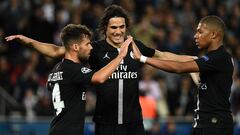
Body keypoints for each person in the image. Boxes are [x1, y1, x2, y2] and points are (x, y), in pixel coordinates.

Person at [6, 5, 195, 135]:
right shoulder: (93, 49)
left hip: (134, 123)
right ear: (105, 28)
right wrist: (28, 41)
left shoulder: (134, 46)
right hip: (106, 124)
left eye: (122, 27)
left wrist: (195, 60)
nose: (118, 31)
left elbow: (162, 55)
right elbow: (56, 50)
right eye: (113, 27)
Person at [9, 24, 131, 135]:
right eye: (87, 44)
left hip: (56, 129)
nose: (91, 48)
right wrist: (121, 56)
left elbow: (56, 51)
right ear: (76, 47)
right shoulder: (73, 70)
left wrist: (27, 41)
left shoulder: (56, 69)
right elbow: (99, 78)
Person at [132, 15, 234, 135]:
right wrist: (146, 50)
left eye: (200, 32)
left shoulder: (220, 58)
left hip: (215, 125)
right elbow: (166, 56)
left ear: (213, 34)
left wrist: (143, 59)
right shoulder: (207, 60)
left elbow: (179, 68)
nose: (195, 36)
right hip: (205, 123)